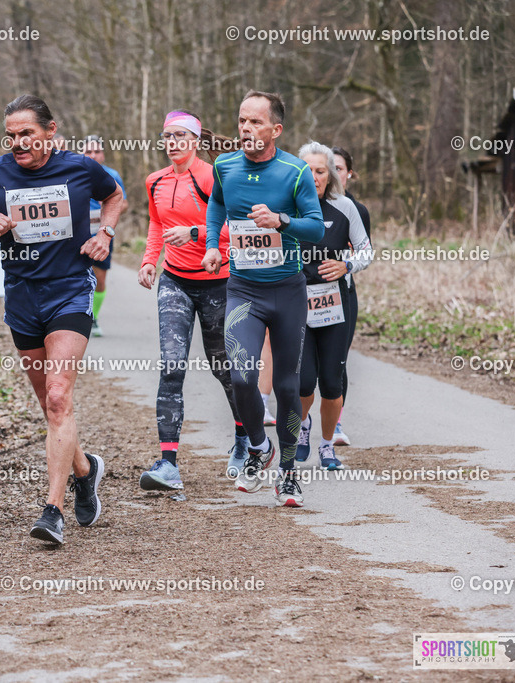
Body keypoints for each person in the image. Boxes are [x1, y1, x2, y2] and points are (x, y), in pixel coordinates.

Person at [0, 94, 124, 544]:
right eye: (10, 136)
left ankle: (52, 509)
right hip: (22, 297)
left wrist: (104, 233)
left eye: (27, 134)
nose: (18, 143)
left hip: (69, 291)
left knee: (58, 397)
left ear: (50, 131)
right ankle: (86, 470)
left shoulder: (79, 168)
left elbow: (114, 196)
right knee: (48, 402)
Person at [201, 90, 324, 507]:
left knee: (288, 387)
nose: (246, 129)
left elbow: (316, 228)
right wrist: (214, 245)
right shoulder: (224, 165)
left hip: (287, 291)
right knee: (241, 376)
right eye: (241, 122)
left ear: (276, 129)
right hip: (244, 290)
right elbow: (216, 205)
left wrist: (281, 220)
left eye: (255, 122)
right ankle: (258, 448)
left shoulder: (295, 172)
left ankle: (288, 472)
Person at [137, 111, 248, 489]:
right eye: (167, 136)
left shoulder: (214, 177)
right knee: (171, 367)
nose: (173, 142)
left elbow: (238, 229)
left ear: (196, 140)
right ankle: (168, 463)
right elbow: (157, 224)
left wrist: (197, 232)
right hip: (175, 282)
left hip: (219, 283)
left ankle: (244, 438)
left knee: (225, 369)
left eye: (180, 135)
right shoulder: (155, 181)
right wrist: (150, 260)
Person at [294, 142, 372, 469]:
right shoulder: (286, 207)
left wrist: (346, 265)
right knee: (302, 382)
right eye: (307, 170)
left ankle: (327, 446)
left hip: (335, 304)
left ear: (330, 175)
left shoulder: (345, 208)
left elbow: (366, 251)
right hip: (296, 305)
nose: (313, 177)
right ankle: (302, 429)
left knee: (331, 382)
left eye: (320, 171)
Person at [330, 146, 371, 447]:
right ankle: (303, 423)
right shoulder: (303, 205)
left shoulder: (357, 211)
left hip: (343, 291)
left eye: (339, 168)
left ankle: (335, 423)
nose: (333, 173)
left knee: (337, 362)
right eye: (326, 167)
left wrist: (344, 264)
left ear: (349, 174)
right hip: (305, 292)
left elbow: (362, 253)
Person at [83, 135, 128, 337]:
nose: (92, 155)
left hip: (104, 233)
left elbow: (123, 203)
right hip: (79, 233)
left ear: (102, 154)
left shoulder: (112, 175)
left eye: (96, 151)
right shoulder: (74, 174)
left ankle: (94, 317)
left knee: (99, 278)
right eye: (88, 152)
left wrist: (109, 206)